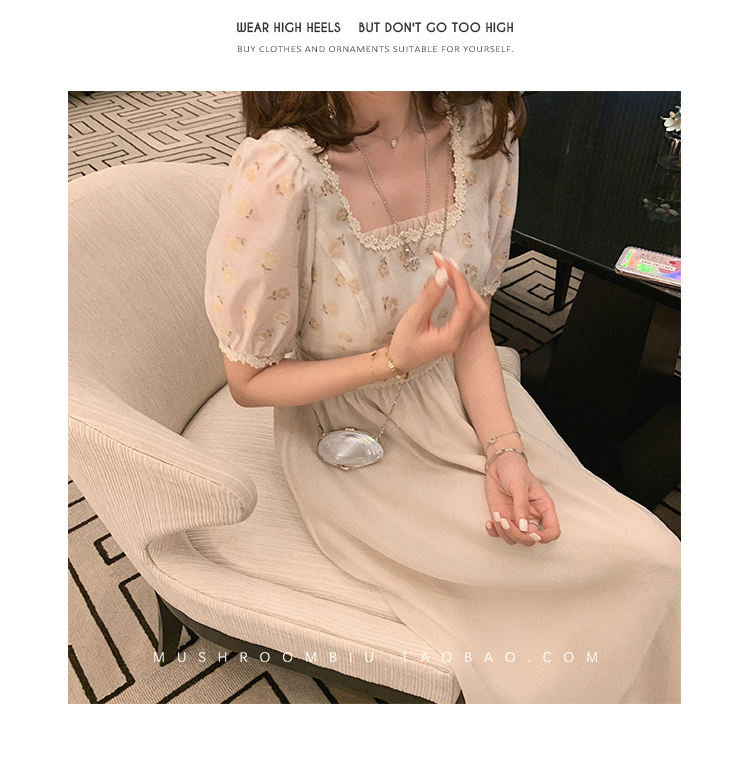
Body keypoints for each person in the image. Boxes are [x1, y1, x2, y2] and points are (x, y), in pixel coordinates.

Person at [204, 91, 680, 703]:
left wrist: (506, 452)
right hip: (351, 440)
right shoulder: (281, 174)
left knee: (653, 557)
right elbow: (248, 382)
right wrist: (391, 361)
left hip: (465, 397)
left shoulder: (481, 134)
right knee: (609, 579)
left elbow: (472, 323)